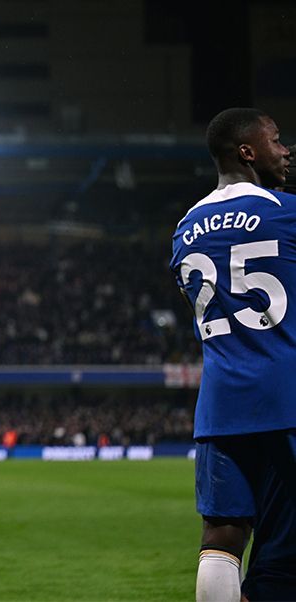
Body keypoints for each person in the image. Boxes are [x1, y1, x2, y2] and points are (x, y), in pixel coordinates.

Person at [170, 107, 296, 601]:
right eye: (276, 140)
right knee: (283, 547)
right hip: (286, 397)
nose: (285, 151)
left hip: (221, 403)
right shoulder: (286, 213)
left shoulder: (184, 229)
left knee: (222, 536)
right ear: (247, 151)